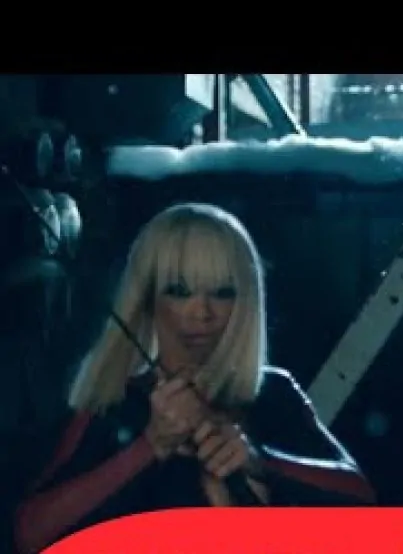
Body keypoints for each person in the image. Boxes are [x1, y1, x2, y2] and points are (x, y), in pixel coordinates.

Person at [12, 203, 377, 554]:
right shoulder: (115, 402)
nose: (202, 312)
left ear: (245, 300)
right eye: (180, 291)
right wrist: (150, 445)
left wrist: (257, 460)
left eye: (222, 292)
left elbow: (365, 507)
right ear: (147, 297)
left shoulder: (273, 393)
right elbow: (31, 535)